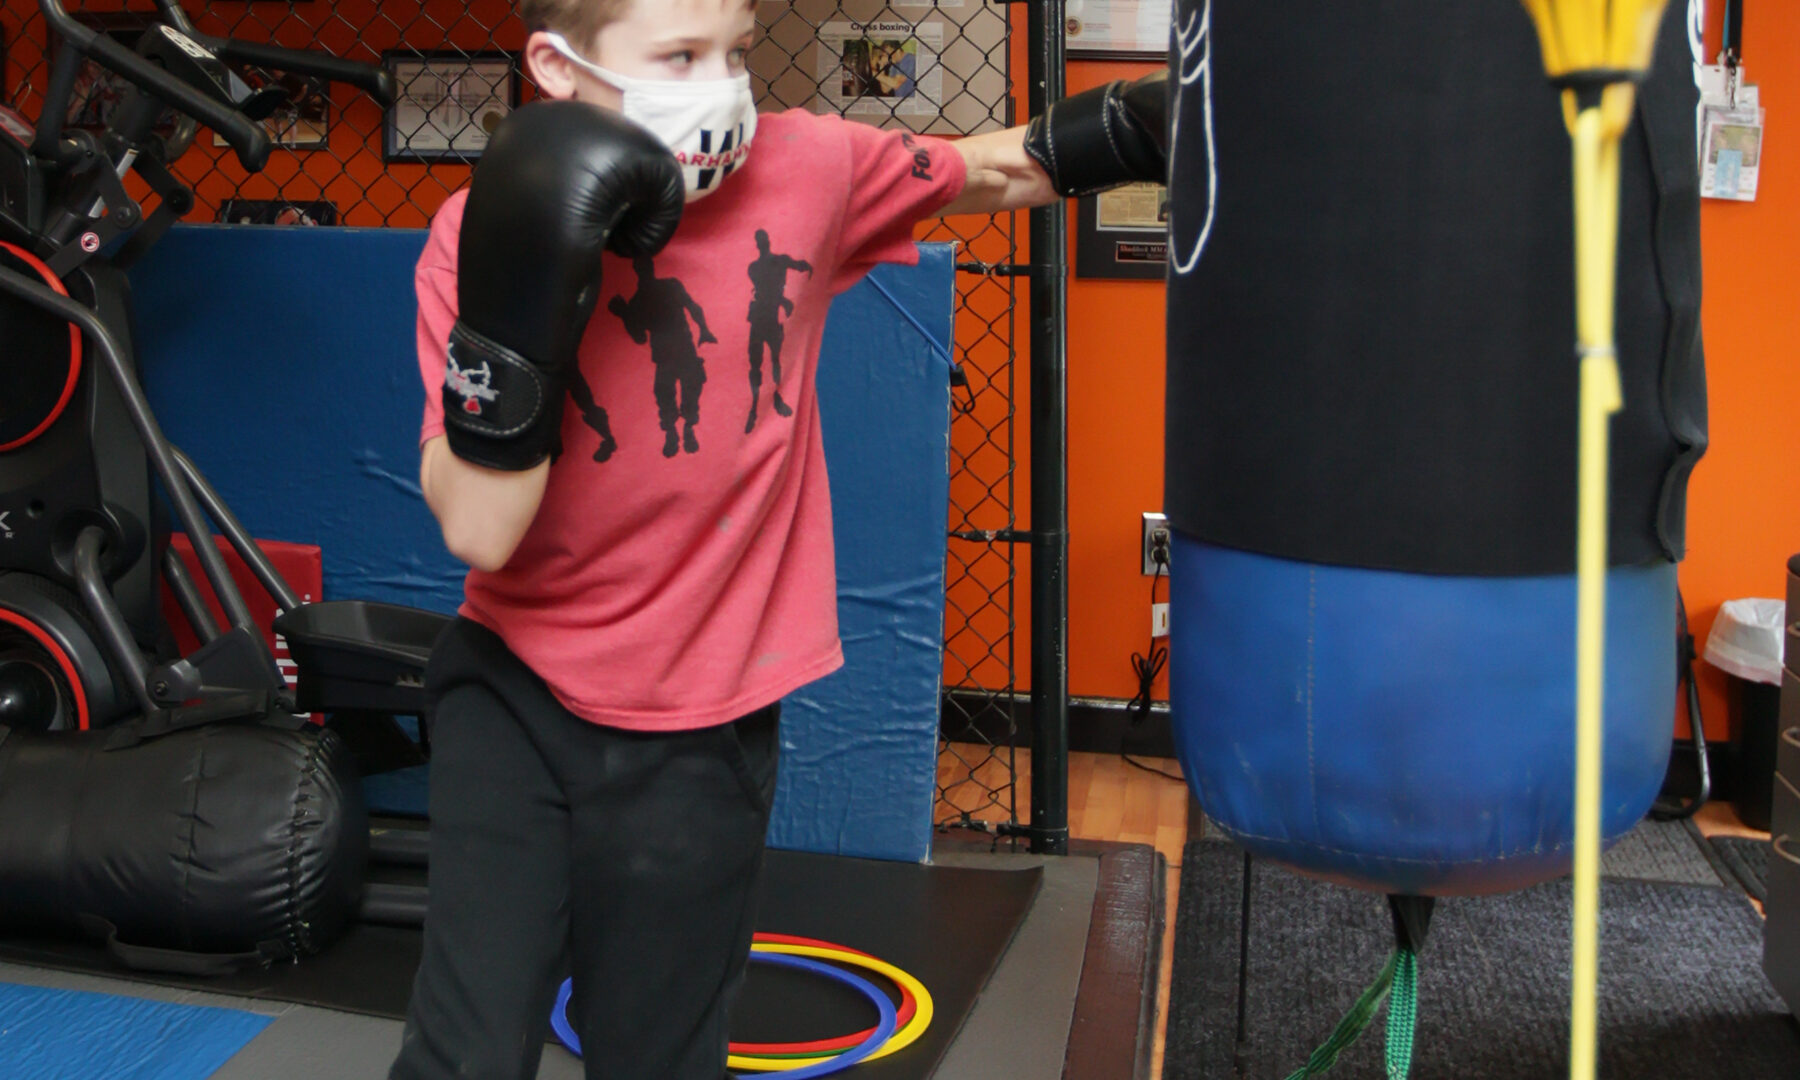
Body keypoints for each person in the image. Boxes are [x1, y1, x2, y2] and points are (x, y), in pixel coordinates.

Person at [396, 0, 1169, 1076]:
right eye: (679, 57)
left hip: (703, 721)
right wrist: (524, 291)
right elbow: (482, 528)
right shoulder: (477, 232)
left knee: (657, 1051)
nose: (722, 89)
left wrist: (1161, 121)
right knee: (463, 1055)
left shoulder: (804, 166)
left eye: (736, 53)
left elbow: (994, 169)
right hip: (513, 696)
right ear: (556, 67)